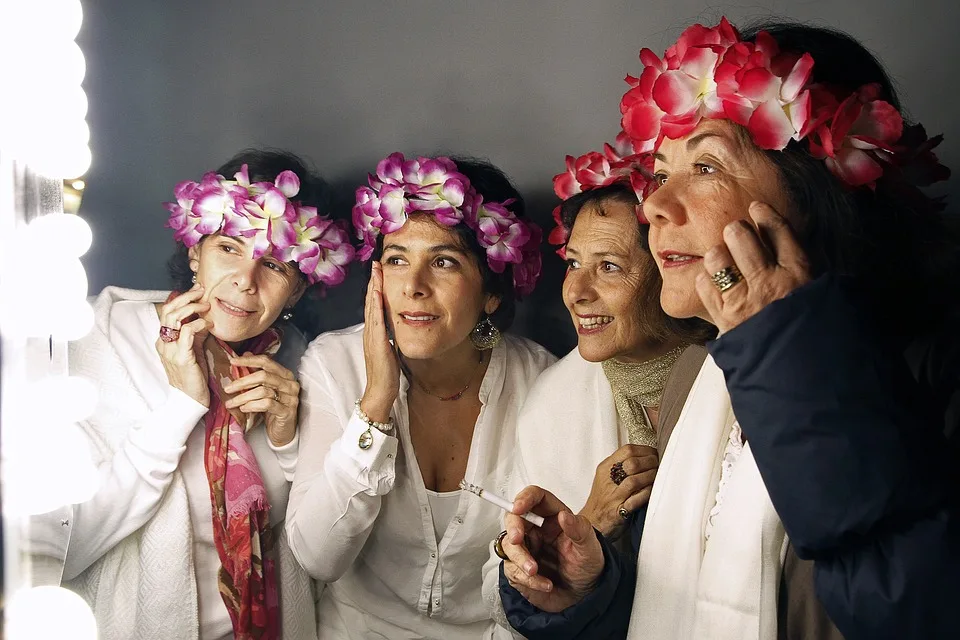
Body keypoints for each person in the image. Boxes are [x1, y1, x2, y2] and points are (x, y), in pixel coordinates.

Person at [498, 19, 959, 640]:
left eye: (708, 166)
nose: (654, 205)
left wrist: (786, 351)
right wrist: (583, 587)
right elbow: (671, 601)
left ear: (815, 194)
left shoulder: (931, 368)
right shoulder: (698, 367)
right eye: (660, 173)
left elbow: (915, 613)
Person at [40, 149, 355, 640]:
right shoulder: (103, 339)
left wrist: (289, 443)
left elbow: (318, 547)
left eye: (272, 264)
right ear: (195, 252)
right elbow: (60, 551)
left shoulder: (300, 362)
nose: (245, 282)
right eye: (229, 248)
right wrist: (182, 406)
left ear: (295, 290)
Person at [285, 153, 555, 639]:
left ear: (492, 292)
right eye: (396, 259)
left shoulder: (539, 382)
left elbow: (540, 574)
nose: (413, 287)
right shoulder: (334, 364)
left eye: (444, 261)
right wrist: (376, 406)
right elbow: (316, 557)